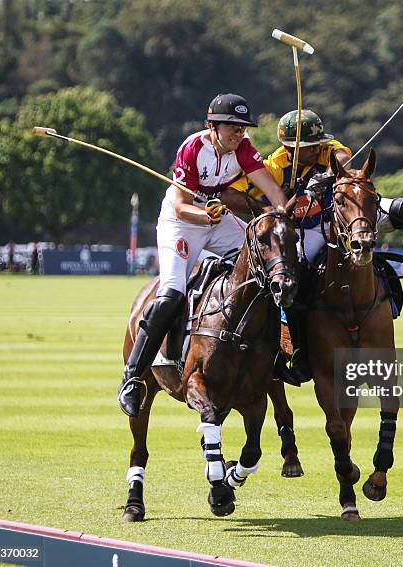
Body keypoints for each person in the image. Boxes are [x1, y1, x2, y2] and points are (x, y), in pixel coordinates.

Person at [230, 109, 403, 384]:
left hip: (352, 213)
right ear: (288, 148)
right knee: (296, 277)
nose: (315, 150)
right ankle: (295, 351)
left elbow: (342, 157)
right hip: (309, 227)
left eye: (317, 144)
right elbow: (231, 192)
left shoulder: (326, 149)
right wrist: (271, 208)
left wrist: (327, 176)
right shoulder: (273, 167)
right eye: (308, 148)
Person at [118, 93, 288, 417]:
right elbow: (182, 206)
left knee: (262, 263)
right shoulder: (193, 148)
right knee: (170, 294)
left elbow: (270, 187)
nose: (239, 133)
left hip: (217, 218)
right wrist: (205, 216)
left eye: (242, 128)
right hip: (182, 224)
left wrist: (283, 210)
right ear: (213, 126)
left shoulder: (244, 148)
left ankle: (278, 354)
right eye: (232, 127)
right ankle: (132, 377)